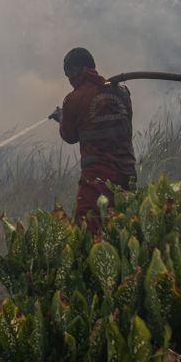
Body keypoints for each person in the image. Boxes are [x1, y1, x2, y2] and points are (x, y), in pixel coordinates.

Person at [49, 47, 136, 234]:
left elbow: (69, 136)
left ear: (75, 70)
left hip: (98, 179)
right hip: (127, 175)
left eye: (68, 74)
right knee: (122, 230)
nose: (69, 80)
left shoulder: (74, 99)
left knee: (88, 230)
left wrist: (62, 118)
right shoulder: (122, 92)